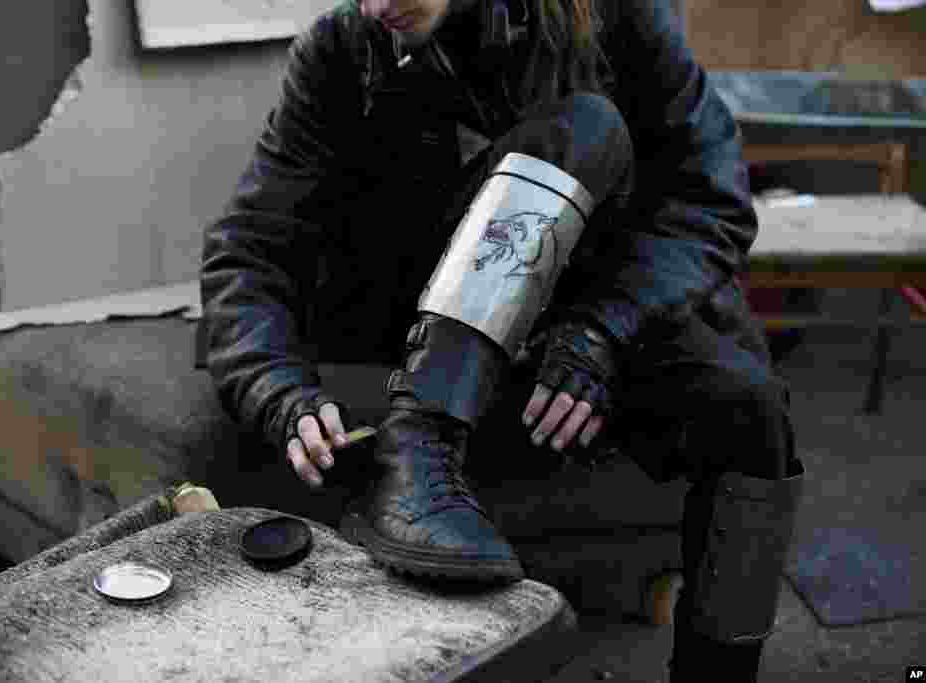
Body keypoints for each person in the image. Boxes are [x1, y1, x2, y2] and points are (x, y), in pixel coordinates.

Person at [199, 0, 806, 679]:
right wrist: (276, 389)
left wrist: (601, 330)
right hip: (435, 346)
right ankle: (418, 442)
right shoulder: (343, 50)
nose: (375, 3)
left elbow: (710, 197)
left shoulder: (619, 18)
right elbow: (248, 250)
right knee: (586, 126)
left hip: (595, 318)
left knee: (753, 410)